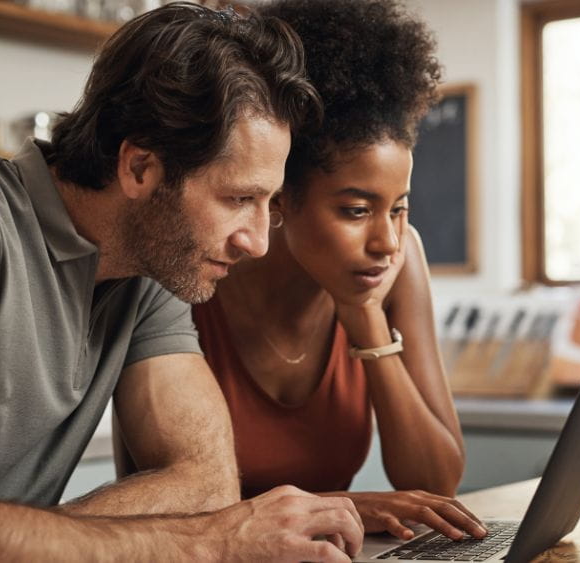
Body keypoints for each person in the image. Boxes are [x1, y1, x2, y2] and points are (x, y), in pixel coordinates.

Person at [0, 4, 366, 562]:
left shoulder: (152, 267)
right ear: (139, 168)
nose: (259, 241)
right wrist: (209, 543)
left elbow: (206, 481)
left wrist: (22, 542)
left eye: (270, 205)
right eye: (238, 199)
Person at [192, 0, 487, 543]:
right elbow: (171, 506)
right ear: (280, 198)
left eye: (399, 207)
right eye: (356, 210)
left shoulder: (399, 261)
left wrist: (367, 318)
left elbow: (437, 482)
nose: (387, 240)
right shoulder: (197, 275)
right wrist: (350, 504)